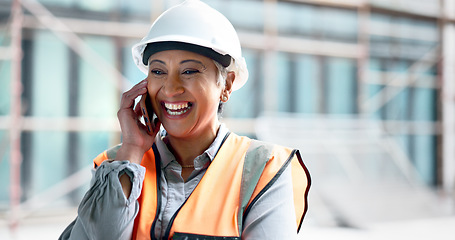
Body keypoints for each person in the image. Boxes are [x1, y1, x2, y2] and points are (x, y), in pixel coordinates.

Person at [59, 0, 310, 239]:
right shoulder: (116, 163)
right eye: (158, 71)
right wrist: (132, 150)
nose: (170, 88)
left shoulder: (263, 169)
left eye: (189, 71)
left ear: (227, 84)